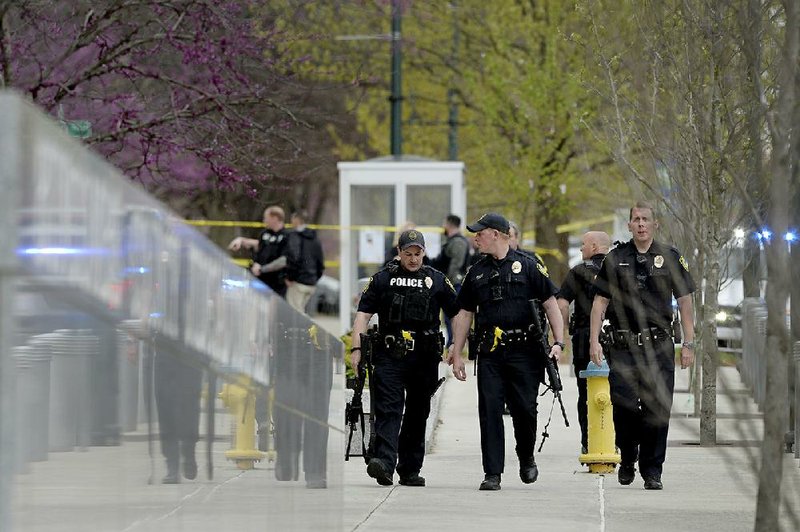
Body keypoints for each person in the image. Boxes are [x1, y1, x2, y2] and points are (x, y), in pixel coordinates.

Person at [446, 212, 565, 491]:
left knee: (525, 410)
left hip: (525, 351)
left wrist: (558, 342)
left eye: (480, 233)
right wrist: (457, 351)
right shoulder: (476, 271)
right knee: (489, 410)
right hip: (490, 353)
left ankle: (526, 457)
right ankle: (493, 473)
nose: (476, 238)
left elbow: (550, 303)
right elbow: (464, 313)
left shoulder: (528, 266)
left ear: (496, 235)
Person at [588, 201, 696, 491]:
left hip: (659, 345)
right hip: (623, 345)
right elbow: (600, 302)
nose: (641, 224)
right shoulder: (615, 257)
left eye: (645, 219)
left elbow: (685, 301)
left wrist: (689, 343)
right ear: (629, 225)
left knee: (656, 409)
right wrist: (593, 340)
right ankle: (627, 456)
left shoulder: (670, 257)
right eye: (636, 219)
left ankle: (652, 470)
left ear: (655, 224)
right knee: (623, 407)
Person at [350, 229, 459, 487]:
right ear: (399, 252)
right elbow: (363, 314)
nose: (413, 259)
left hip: (425, 356)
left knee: (417, 412)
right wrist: (356, 350)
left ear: (424, 252)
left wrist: (456, 344)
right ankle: (385, 464)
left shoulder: (437, 279)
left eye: (417, 253)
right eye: (407, 253)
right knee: (389, 409)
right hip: (390, 353)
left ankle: (410, 469)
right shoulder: (383, 279)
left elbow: (457, 313)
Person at [556, 230, 612, 454]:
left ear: (595, 247)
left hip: (583, 338)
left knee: (585, 393)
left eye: (583, 245)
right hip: (615, 338)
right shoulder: (619, 269)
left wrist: (565, 330)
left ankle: (588, 441)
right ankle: (613, 437)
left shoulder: (578, 272)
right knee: (615, 391)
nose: (581, 249)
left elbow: (561, 303)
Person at [154, 352, 203, 484]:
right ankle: (172, 464)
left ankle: (189, 450)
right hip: (164, 347)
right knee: (165, 406)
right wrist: (132, 342)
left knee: (189, 405)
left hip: (192, 348)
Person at [228, 205, 288, 297]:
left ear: (275, 218)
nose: (264, 221)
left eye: (266, 218)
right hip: (259, 278)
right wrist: (241, 240)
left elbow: (283, 260)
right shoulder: (265, 234)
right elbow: (258, 246)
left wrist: (263, 269)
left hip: (275, 282)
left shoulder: (286, 236)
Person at [430, 214, 470, 345]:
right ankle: (451, 342)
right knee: (447, 317)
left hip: (454, 285)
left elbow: (455, 266)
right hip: (449, 284)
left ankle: (455, 343)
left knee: (453, 316)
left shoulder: (458, 242)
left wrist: (449, 285)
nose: (443, 227)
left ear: (449, 224)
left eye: (444, 223)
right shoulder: (451, 241)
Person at [285, 210, 325, 313]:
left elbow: (294, 258)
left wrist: (290, 277)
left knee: (295, 313)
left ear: (297, 220)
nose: (291, 222)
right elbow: (320, 261)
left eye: (292, 220)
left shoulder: (295, 236)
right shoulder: (314, 238)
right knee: (302, 311)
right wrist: (315, 278)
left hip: (298, 282)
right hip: (311, 282)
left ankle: (302, 329)